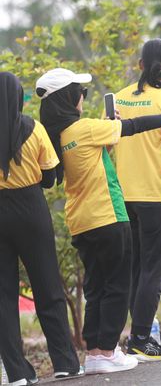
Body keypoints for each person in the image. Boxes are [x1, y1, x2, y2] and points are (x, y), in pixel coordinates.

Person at [37, 67, 161, 373]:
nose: (83, 98)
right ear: (69, 98)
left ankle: (95, 353)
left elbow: (99, 149)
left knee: (96, 289)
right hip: (108, 215)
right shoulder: (86, 128)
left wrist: (110, 129)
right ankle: (108, 351)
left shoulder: (57, 136)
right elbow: (133, 126)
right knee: (117, 286)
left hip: (80, 221)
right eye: (80, 93)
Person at [0, 72, 82, 385]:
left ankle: (17, 373)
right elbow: (49, 178)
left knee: (3, 295)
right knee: (47, 286)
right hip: (30, 209)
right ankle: (65, 363)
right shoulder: (33, 128)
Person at [110, 39, 161, 361]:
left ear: (140, 65)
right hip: (156, 195)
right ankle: (140, 339)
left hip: (122, 197)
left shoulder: (117, 99)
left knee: (136, 270)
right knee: (153, 271)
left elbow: (107, 143)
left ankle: (143, 335)